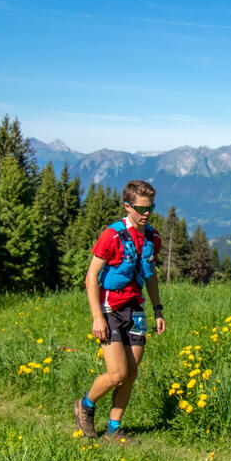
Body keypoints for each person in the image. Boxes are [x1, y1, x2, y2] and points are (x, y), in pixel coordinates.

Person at [74, 180, 166, 442]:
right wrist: (97, 317)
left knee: (131, 373)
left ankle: (114, 429)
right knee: (117, 373)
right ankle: (86, 405)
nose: (147, 213)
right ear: (128, 207)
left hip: (136, 310)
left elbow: (151, 276)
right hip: (110, 309)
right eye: (141, 208)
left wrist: (158, 310)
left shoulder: (153, 238)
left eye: (150, 207)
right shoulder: (112, 235)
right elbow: (91, 277)